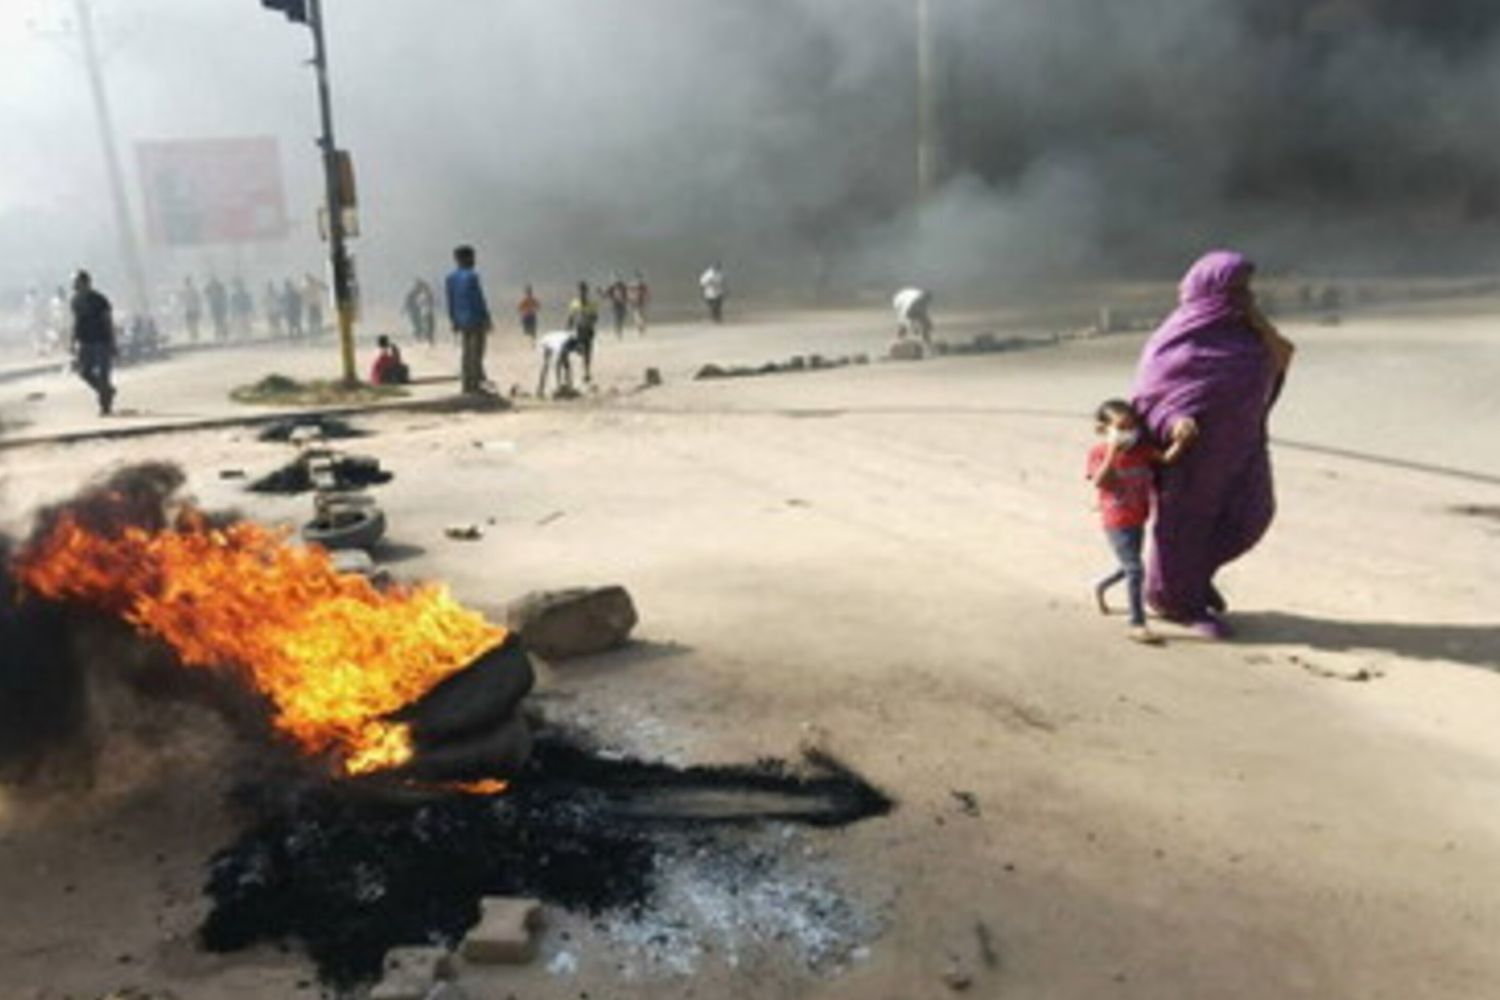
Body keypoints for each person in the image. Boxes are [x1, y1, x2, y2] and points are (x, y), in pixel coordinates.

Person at [1131, 250, 1295, 639]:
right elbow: (1148, 399)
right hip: (1191, 458)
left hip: (1245, 447)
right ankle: (1176, 602)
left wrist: (1257, 320)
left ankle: (1194, 577)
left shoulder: (1248, 334)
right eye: (1236, 289)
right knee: (1184, 528)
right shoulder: (1173, 341)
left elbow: (1284, 357)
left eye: (1247, 288)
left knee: (1252, 517)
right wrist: (1174, 422)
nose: (1246, 296)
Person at [1087, 399, 1187, 645]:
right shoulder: (1098, 453)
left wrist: (1182, 441)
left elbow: (1164, 459)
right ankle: (1137, 623)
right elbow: (1101, 482)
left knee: (1128, 567)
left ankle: (1100, 585)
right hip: (1116, 521)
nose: (1128, 432)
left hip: (1138, 517)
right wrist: (1112, 449)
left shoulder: (1140, 451)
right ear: (1104, 429)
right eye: (1121, 427)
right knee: (1135, 569)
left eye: (1132, 427)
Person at [445, 245, 494, 395]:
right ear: (466, 258)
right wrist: (487, 318)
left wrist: (453, 320)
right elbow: (478, 299)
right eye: (472, 257)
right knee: (477, 353)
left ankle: (467, 385)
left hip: (461, 320)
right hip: (475, 318)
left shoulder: (450, 278)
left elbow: (450, 301)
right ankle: (475, 385)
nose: (474, 260)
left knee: (466, 353)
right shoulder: (472, 276)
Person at [69, 270, 116, 416]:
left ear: (86, 283)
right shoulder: (75, 301)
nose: (75, 286)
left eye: (77, 282)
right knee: (84, 372)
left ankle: (105, 406)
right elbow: (76, 322)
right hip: (85, 342)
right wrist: (72, 341)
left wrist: (113, 342)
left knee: (104, 375)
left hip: (101, 341)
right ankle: (106, 391)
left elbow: (108, 321)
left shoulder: (100, 300)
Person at [565, 281, 599, 384]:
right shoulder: (575, 303)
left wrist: (591, 319)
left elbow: (596, 317)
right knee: (581, 351)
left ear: (586, 291)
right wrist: (568, 327)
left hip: (588, 330)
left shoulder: (592, 304)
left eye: (583, 291)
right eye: (580, 291)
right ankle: (579, 371)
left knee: (588, 351)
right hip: (579, 330)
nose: (582, 293)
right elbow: (570, 317)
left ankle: (586, 372)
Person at [535, 328, 581, 397]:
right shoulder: (561, 345)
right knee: (546, 365)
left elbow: (566, 362)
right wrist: (558, 384)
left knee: (566, 363)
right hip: (546, 342)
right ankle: (541, 389)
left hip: (555, 339)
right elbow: (558, 365)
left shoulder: (573, 341)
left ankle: (568, 384)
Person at [404, 278, 436, 345]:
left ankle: (422, 338)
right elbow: (410, 302)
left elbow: (429, 302)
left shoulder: (422, 293)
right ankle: (420, 338)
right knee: (419, 326)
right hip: (418, 312)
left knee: (422, 326)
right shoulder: (416, 293)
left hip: (422, 312)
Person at [605, 272, 630, 339]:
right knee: (617, 318)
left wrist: (626, 301)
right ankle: (618, 331)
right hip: (615, 305)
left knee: (620, 319)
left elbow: (626, 295)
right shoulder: (611, 287)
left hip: (622, 305)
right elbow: (606, 295)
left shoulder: (623, 286)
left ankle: (619, 331)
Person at [205, 275, 229, 342]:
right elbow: (206, 292)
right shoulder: (214, 292)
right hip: (216, 309)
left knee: (220, 322)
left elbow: (224, 299)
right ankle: (220, 335)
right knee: (218, 323)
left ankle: (222, 335)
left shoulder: (219, 291)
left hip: (219, 308)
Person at [181, 276, 203, 343]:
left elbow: (198, 299)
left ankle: (193, 335)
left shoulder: (187, 290)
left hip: (191, 309)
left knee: (191, 323)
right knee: (193, 323)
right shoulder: (191, 289)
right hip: (191, 309)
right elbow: (198, 299)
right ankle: (194, 335)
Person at [628, 270, 650, 335]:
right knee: (638, 318)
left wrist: (647, 299)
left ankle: (641, 329)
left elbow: (647, 294)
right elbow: (629, 294)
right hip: (635, 304)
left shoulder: (643, 285)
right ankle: (640, 329)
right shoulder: (632, 285)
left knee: (642, 317)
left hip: (641, 304)